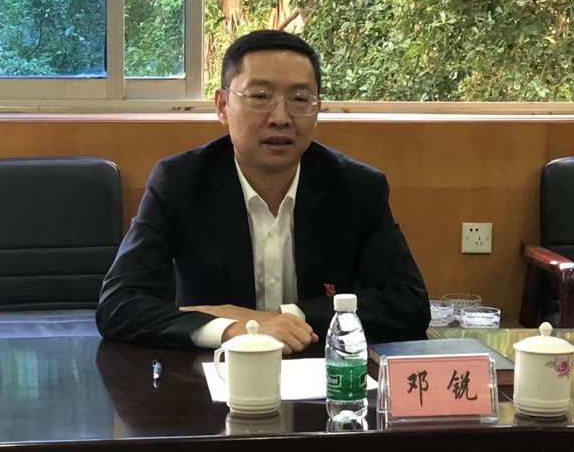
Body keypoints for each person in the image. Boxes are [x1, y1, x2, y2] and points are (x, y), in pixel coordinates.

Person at [96, 29, 429, 354]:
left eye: (299, 99)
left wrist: (287, 318)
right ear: (222, 106)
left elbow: (408, 303)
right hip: (212, 372)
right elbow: (119, 305)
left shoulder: (356, 188)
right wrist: (234, 329)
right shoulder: (180, 182)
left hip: (321, 374)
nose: (280, 117)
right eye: (259, 97)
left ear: (317, 110)